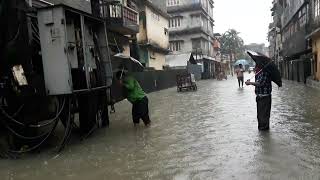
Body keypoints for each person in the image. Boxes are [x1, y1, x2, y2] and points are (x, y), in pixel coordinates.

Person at [245, 64, 272, 131]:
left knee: (263, 117)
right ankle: (262, 134)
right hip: (260, 98)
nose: (255, 68)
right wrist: (250, 81)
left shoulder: (265, 73)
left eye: (256, 67)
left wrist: (250, 83)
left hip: (264, 98)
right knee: (260, 116)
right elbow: (258, 82)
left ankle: (264, 133)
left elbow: (260, 83)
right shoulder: (260, 74)